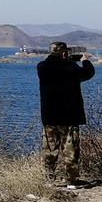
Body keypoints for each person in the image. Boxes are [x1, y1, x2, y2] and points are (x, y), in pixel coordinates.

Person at [36, 41, 95, 188]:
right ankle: (71, 181)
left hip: (49, 117)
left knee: (49, 149)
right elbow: (88, 73)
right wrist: (85, 60)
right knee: (70, 150)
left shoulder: (42, 67)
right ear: (64, 53)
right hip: (69, 117)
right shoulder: (72, 68)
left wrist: (66, 60)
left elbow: (54, 65)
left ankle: (49, 180)